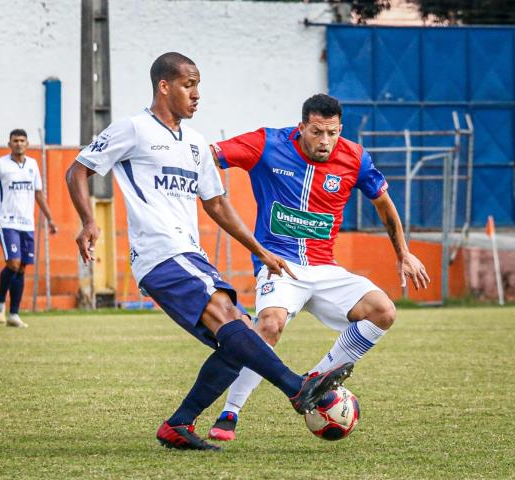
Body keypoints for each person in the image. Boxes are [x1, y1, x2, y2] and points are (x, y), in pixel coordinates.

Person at [66, 53, 353, 451]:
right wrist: (88, 221)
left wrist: (261, 251)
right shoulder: (133, 129)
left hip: (189, 254)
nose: (197, 94)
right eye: (188, 84)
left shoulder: (197, 144)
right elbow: (78, 169)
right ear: (164, 86)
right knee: (230, 320)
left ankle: (179, 424)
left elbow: (216, 205)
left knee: (239, 338)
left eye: (198, 85)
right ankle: (296, 388)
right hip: (161, 252)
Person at [207, 94, 430, 441]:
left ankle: (314, 381)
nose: (325, 141)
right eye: (316, 132)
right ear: (301, 128)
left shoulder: (355, 157)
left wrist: (403, 252)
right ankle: (229, 413)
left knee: (383, 311)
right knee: (269, 324)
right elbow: (211, 155)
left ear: (340, 129)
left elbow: (383, 203)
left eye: (332, 133)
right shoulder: (267, 143)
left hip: (325, 268)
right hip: (279, 264)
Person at [0, 129, 57, 328]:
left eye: (22, 140)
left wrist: (50, 219)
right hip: (7, 223)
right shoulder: (0, 164)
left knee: (22, 267)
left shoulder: (32, 165)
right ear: (9, 144)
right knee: (13, 264)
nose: (18, 144)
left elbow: (39, 194)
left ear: (27, 143)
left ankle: (14, 314)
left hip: (28, 224)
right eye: (15, 141)